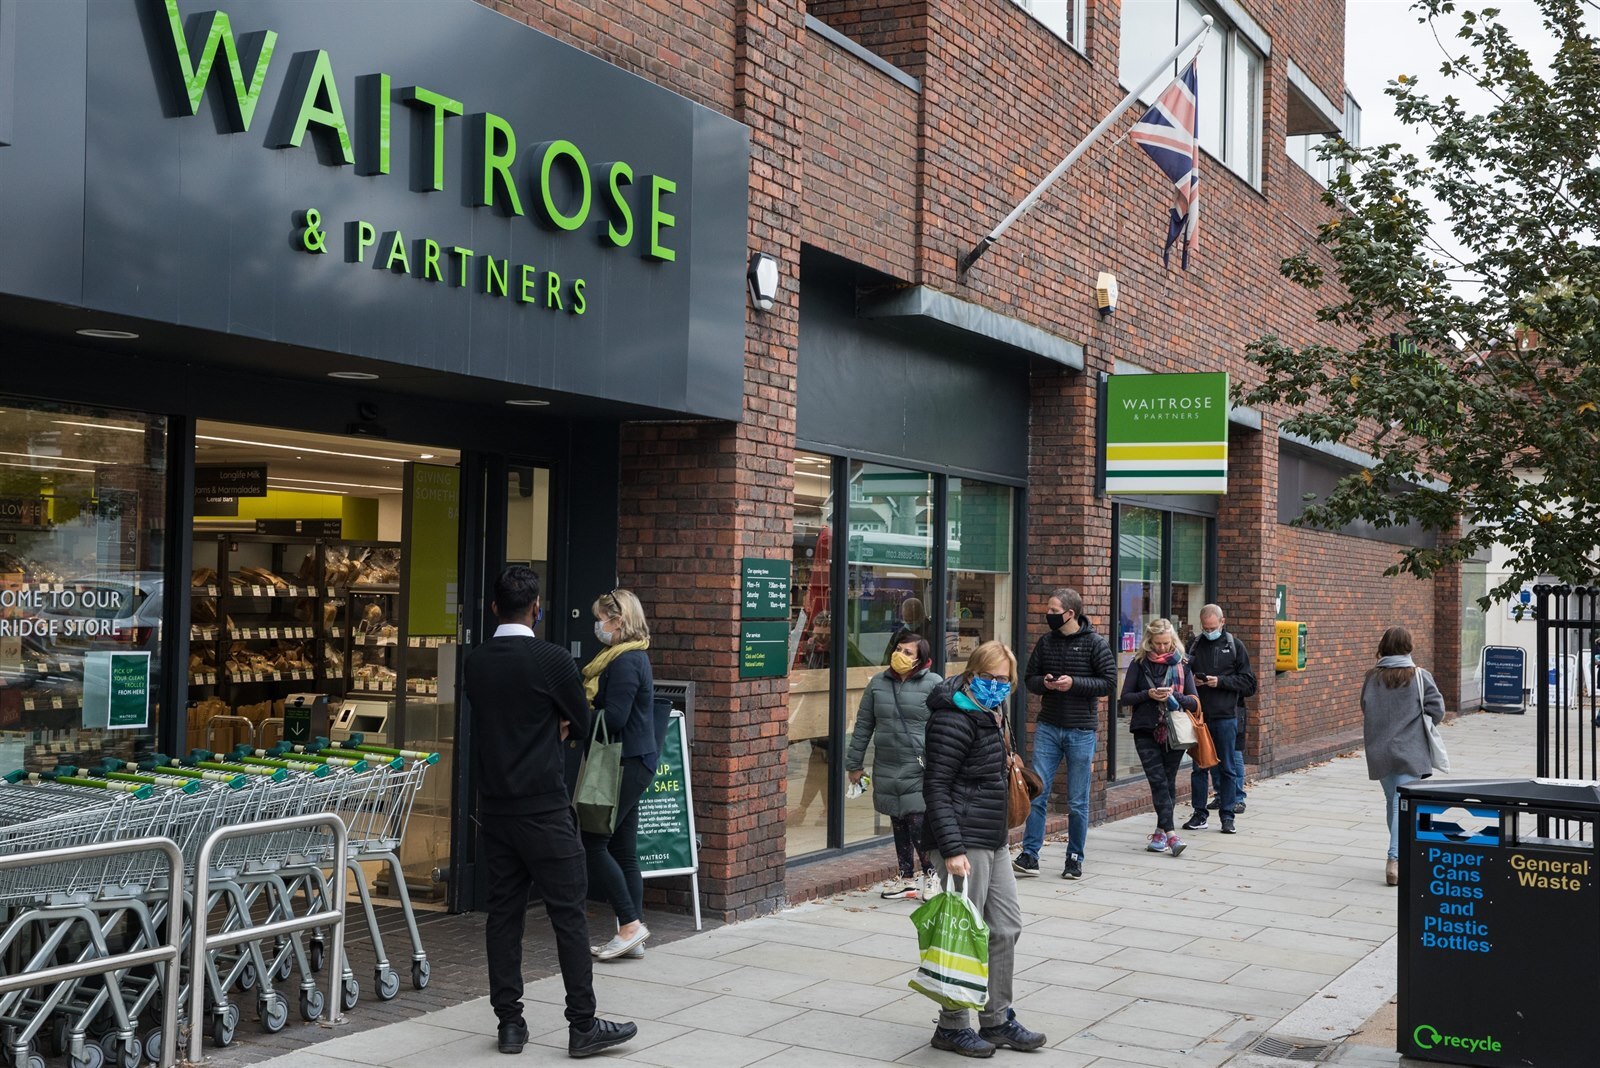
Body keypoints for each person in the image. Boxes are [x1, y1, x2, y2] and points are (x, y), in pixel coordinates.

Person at [461, 566, 637, 1058]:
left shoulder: (477, 662)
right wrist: (554, 720)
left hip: (496, 810)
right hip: (544, 808)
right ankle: (582, 1025)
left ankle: (510, 1024)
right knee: (568, 916)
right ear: (537, 609)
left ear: (494, 607)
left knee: (503, 916)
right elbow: (580, 722)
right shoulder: (553, 659)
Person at [922, 640, 1047, 1058]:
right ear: (972, 674)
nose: (998, 685)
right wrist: (952, 848)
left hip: (992, 837)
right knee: (963, 934)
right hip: (962, 840)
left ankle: (996, 1019)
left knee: (1006, 927)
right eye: (991, 677)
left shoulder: (993, 711)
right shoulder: (952, 717)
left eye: (1005, 680)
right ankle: (952, 1025)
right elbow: (935, 787)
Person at [1016, 588, 1118, 881]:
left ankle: (1074, 858)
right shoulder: (1046, 642)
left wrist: (1074, 683)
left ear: (1070, 613)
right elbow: (1030, 678)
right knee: (1037, 792)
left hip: (1081, 730)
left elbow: (1109, 683)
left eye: (1053, 610)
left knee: (1077, 801)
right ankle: (1030, 855)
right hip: (1048, 726)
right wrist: (1045, 683)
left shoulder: (1095, 643)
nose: (1048, 614)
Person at [582, 589, 658, 961]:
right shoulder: (628, 656)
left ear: (619, 620)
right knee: (623, 851)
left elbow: (614, 718)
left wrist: (575, 719)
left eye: (601, 619)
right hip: (634, 759)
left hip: (624, 761)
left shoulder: (626, 661)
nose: (598, 626)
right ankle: (633, 935)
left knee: (593, 842)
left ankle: (629, 925)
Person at [845, 630, 941, 900]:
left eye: (908, 652)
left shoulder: (934, 684)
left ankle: (932, 875)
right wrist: (854, 764)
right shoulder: (878, 683)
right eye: (898, 649)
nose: (900, 655)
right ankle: (906, 878)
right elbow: (863, 726)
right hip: (886, 764)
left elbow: (945, 725)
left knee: (917, 821)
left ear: (920, 659)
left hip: (918, 765)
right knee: (898, 821)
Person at [1361, 625, 1446, 886]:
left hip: (1379, 750)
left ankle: (1400, 855)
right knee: (1401, 802)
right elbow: (1438, 710)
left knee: (1393, 801)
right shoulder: (1419, 675)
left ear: (1384, 646)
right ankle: (1395, 858)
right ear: (1408, 646)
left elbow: (1365, 707)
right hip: (1410, 749)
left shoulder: (1372, 677)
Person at [1118, 618, 1199, 858]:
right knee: (1157, 780)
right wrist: (1148, 694)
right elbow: (1125, 697)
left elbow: (1194, 702)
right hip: (1145, 729)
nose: (1162, 648)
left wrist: (1174, 696)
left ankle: (1160, 832)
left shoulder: (1183, 664)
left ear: (1173, 640)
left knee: (1168, 780)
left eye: (1166, 643)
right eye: (1157, 643)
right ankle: (1172, 835)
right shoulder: (1139, 663)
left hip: (1175, 731)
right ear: (1149, 642)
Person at [1181, 604, 1256, 835]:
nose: (1209, 631)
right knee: (1199, 768)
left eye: (1213, 627)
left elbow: (1249, 683)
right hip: (1200, 717)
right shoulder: (1194, 644)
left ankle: (1227, 816)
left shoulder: (1235, 646)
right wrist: (1193, 680)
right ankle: (1199, 814)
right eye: (1205, 627)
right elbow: (1181, 676)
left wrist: (1220, 682)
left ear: (1222, 622)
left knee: (1227, 768)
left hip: (1225, 716)